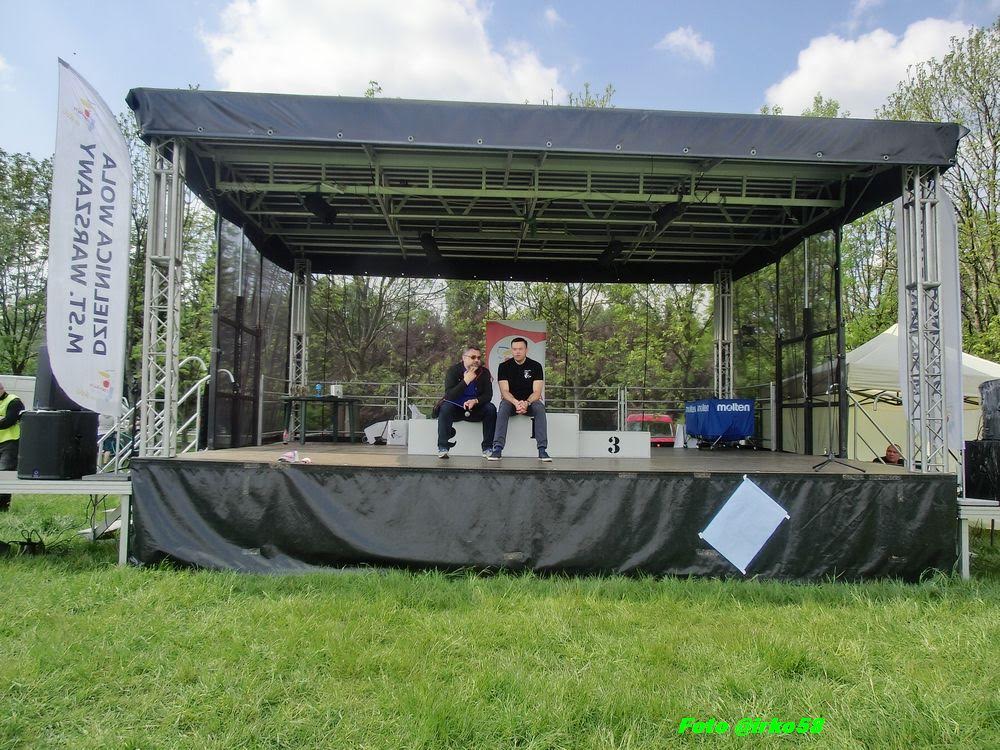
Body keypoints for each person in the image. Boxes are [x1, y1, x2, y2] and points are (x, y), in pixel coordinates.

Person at [489, 337, 551, 462]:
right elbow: (504, 391)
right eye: (514, 349)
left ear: (526, 350)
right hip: (512, 403)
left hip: (530, 402)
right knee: (503, 406)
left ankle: (542, 449)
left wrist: (527, 403)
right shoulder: (504, 366)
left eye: (520, 349)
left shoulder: (536, 366)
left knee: (539, 407)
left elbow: (537, 392)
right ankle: (498, 448)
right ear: (511, 350)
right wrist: (516, 403)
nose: (517, 352)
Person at [435, 346, 497, 459]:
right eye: (473, 357)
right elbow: (449, 395)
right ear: (464, 358)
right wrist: (466, 381)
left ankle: (487, 448)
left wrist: (475, 401)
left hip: (475, 408)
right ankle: (443, 447)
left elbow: (488, 396)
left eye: (478, 357)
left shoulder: (484, 372)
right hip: (456, 409)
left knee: (491, 408)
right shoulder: (453, 371)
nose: (476, 360)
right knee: (445, 407)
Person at [0, 382, 25, 512]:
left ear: (1, 389)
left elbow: (9, 421)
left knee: (5, 475)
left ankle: (3, 507)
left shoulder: (14, 401)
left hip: (9, 443)